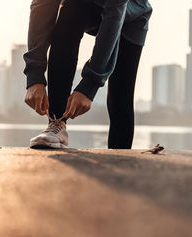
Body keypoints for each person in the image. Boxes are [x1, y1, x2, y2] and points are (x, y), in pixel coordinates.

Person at [23, 0, 152, 149]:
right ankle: (57, 123)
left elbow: (113, 18)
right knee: (71, 9)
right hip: (85, 6)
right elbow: (42, 7)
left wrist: (89, 86)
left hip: (133, 16)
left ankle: (122, 157)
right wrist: (34, 78)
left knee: (120, 99)